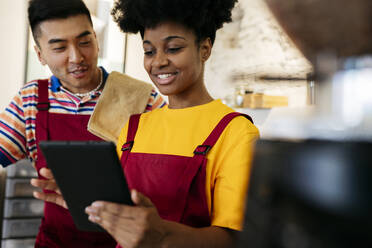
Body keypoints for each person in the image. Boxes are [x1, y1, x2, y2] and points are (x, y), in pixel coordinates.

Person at [85, 0, 260, 247]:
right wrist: (85, 201)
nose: (158, 62)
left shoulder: (236, 133)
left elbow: (232, 240)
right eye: (149, 51)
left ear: (205, 48)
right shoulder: (133, 128)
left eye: (174, 48)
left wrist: (161, 235)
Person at [0, 0, 165, 247]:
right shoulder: (31, 99)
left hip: (124, 242)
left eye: (85, 41)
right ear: (40, 54)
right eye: (59, 48)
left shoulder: (142, 98)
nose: (77, 57)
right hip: (55, 241)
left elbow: (168, 176)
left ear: (97, 40)